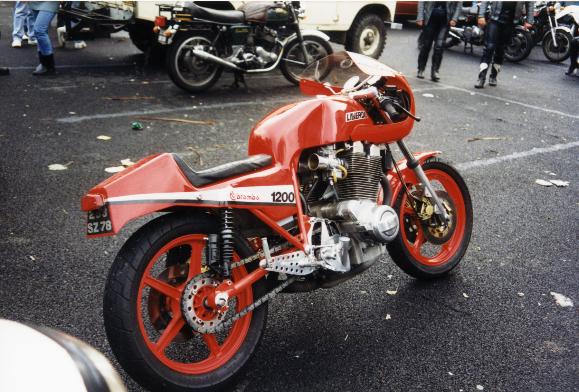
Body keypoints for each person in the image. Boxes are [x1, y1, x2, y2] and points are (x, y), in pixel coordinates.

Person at [475, 1, 535, 88]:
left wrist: (529, 20)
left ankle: (493, 76)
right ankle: (481, 78)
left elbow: (530, 2)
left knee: (501, 49)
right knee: (489, 47)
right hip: (495, 19)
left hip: (511, 22)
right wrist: (481, 15)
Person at [416, 1, 461, 82]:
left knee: (439, 46)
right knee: (426, 45)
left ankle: (435, 72)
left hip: (445, 20)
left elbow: (459, 4)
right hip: (430, 18)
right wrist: (420, 16)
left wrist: (454, 18)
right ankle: (421, 69)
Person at [28, 1, 60, 75]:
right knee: (41, 32)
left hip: (50, 2)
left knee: (39, 30)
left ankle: (49, 66)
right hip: (35, 3)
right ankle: (43, 63)